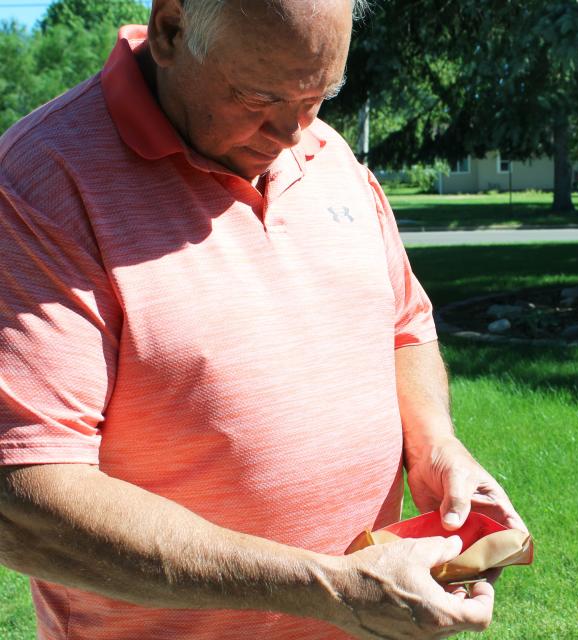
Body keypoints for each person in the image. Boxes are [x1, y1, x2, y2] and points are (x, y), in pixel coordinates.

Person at [0, 1, 525, 638]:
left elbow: (403, 325)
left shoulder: (330, 157)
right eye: (260, 96)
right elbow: (22, 498)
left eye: (318, 95)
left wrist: (435, 443)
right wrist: (330, 589)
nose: (293, 134)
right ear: (171, 30)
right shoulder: (40, 182)